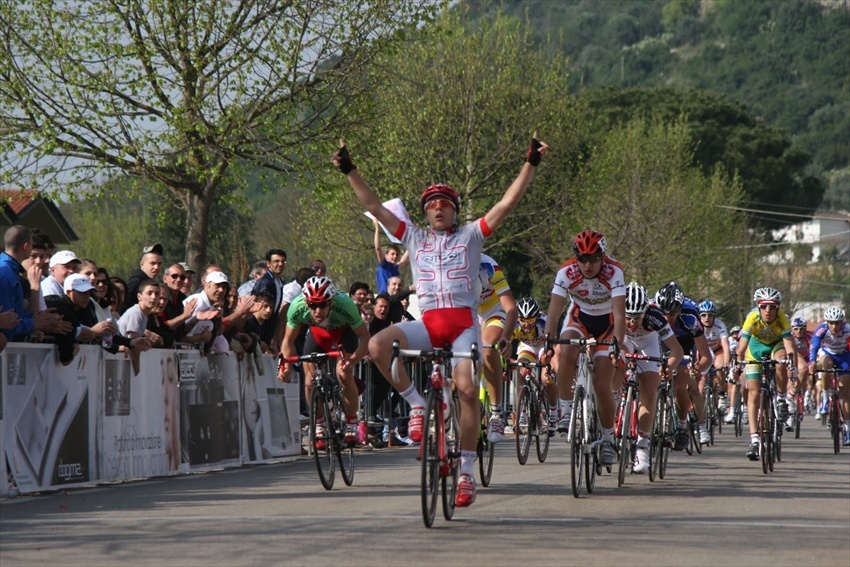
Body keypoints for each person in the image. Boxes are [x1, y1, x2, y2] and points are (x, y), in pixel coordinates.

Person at [335, 132, 549, 507]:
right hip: (429, 324)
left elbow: (506, 204)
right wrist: (350, 170)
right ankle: (419, 404)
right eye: (432, 205)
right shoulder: (413, 237)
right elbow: (374, 205)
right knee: (377, 344)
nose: (438, 209)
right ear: (425, 212)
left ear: (454, 210)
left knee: (467, 389)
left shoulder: (471, 236)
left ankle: (466, 472)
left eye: (445, 205)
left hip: (464, 325)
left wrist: (530, 163)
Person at [544, 230, 625, 467]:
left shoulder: (614, 272)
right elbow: (554, 311)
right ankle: (566, 409)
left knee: (602, 384)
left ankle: (609, 439)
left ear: (602, 257)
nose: (587, 265)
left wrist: (617, 345)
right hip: (580, 318)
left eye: (592, 259)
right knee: (565, 350)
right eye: (582, 259)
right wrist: (549, 342)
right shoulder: (566, 272)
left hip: (608, 324)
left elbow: (620, 315)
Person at [277, 276, 371, 447]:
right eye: (312, 305)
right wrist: (286, 365)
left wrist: (353, 361)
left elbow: (365, 338)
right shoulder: (297, 307)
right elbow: (287, 341)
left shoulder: (346, 305)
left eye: (322, 305)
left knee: (343, 373)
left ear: (331, 302)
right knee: (309, 382)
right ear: (306, 302)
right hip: (318, 335)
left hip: (344, 332)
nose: (317, 311)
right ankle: (320, 422)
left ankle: (351, 422)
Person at [618, 283, 683, 473]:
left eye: (637, 317)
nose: (632, 322)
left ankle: (642, 446)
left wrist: (668, 368)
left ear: (646, 311)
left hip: (648, 342)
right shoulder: (615, 314)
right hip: (624, 340)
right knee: (615, 365)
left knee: (649, 388)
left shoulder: (656, 318)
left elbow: (676, 350)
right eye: (628, 317)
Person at [734, 287, 796, 461]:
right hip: (756, 348)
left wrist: (793, 367)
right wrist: (737, 366)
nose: (768, 310)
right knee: (753, 392)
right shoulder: (752, 318)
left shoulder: (782, 319)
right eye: (764, 306)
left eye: (772, 306)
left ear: (778, 307)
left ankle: (782, 399)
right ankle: (754, 440)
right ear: (758, 307)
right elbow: (741, 347)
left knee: (782, 361)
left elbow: (791, 348)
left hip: (776, 346)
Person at [654, 282, 713, 449]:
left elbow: (706, 357)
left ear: (680, 311)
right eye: (663, 313)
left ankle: (681, 425)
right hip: (659, 339)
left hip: (684, 342)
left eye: (672, 314)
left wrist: (696, 368)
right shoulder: (651, 313)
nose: (666, 319)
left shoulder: (691, 319)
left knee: (680, 385)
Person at [0, 225, 65, 342]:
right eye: (33, 254)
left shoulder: (10, 271)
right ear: (26, 246)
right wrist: (33, 323)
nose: (40, 261)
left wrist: (40, 320)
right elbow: (8, 322)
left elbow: (16, 315)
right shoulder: (6, 273)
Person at [477, 254, 517, 443]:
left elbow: (510, 308)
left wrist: (506, 338)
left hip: (493, 312)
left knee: (487, 348)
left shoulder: (488, 266)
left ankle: (496, 414)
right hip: (467, 313)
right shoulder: (448, 264)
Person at [511, 297, 559, 435]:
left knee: (545, 379)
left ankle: (553, 413)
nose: (526, 325)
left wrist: (548, 358)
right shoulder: (514, 324)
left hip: (544, 347)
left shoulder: (544, 323)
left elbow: (553, 345)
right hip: (528, 347)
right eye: (523, 321)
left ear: (536, 317)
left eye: (530, 321)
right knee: (520, 370)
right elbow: (506, 344)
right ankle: (522, 412)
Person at [808, 307, 850, 445]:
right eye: (831, 323)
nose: (834, 326)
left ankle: (847, 428)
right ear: (827, 322)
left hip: (844, 356)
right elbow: (814, 347)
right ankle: (825, 398)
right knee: (826, 364)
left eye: (837, 323)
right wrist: (812, 362)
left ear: (841, 322)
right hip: (828, 354)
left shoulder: (848, 329)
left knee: (845, 390)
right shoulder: (821, 330)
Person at [697, 300, 732, 420]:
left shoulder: (720, 325)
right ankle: (698, 414)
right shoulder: (696, 326)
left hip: (718, 350)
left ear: (714, 316)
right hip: (703, 351)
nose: (707, 318)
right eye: (703, 315)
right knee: (700, 385)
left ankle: (722, 394)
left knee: (719, 367)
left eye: (710, 315)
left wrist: (727, 364)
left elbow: (726, 346)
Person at [373, 217, 409, 293]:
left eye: (397, 254)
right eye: (392, 254)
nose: (395, 256)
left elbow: (403, 261)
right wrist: (377, 228)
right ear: (386, 255)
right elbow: (378, 248)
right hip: (384, 298)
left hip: (394, 298)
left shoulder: (395, 267)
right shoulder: (384, 265)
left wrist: (412, 242)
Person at [124, 244, 164, 311]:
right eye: (153, 263)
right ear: (142, 264)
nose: (156, 267)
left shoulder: (147, 282)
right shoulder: (135, 282)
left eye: (159, 264)